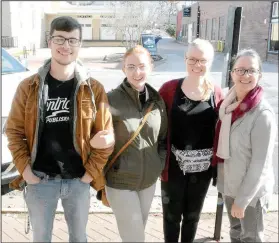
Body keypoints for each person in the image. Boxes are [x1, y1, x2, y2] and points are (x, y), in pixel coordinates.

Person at [5, 16, 114, 242]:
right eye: (60, 39)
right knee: (41, 238)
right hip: (40, 180)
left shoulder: (93, 89)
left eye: (72, 40)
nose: (66, 46)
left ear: (80, 44)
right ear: (50, 40)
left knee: (78, 238)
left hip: (78, 181)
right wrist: (25, 172)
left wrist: (88, 176)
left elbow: (106, 138)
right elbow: (14, 132)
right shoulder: (28, 87)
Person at [159, 38, 223, 242]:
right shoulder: (169, 89)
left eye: (202, 60)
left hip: (203, 170)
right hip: (173, 168)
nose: (197, 64)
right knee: (171, 217)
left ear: (210, 62)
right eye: (192, 59)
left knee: (193, 217)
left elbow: (224, 127)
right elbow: (156, 125)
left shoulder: (217, 92)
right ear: (185, 59)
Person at [103, 45, 168, 242]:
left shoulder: (157, 102)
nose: (137, 72)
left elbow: (162, 139)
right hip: (120, 182)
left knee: (137, 232)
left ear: (150, 67)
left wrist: (158, 165)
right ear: (123, 69)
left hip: (148, 182)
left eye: (141, 66)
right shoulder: (110, 99)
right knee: (135, 238)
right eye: (131, 67)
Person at [212, 49, 277, 242]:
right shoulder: (227, 106)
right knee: (235, 232)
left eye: (251, 70)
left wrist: (242, 201)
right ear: (232, 73)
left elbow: (260, 164)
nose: (245, 75)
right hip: (231, 187)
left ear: (259, 75)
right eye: (240, 70)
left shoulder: (262, 114)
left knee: (250, 237)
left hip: (252, 194)